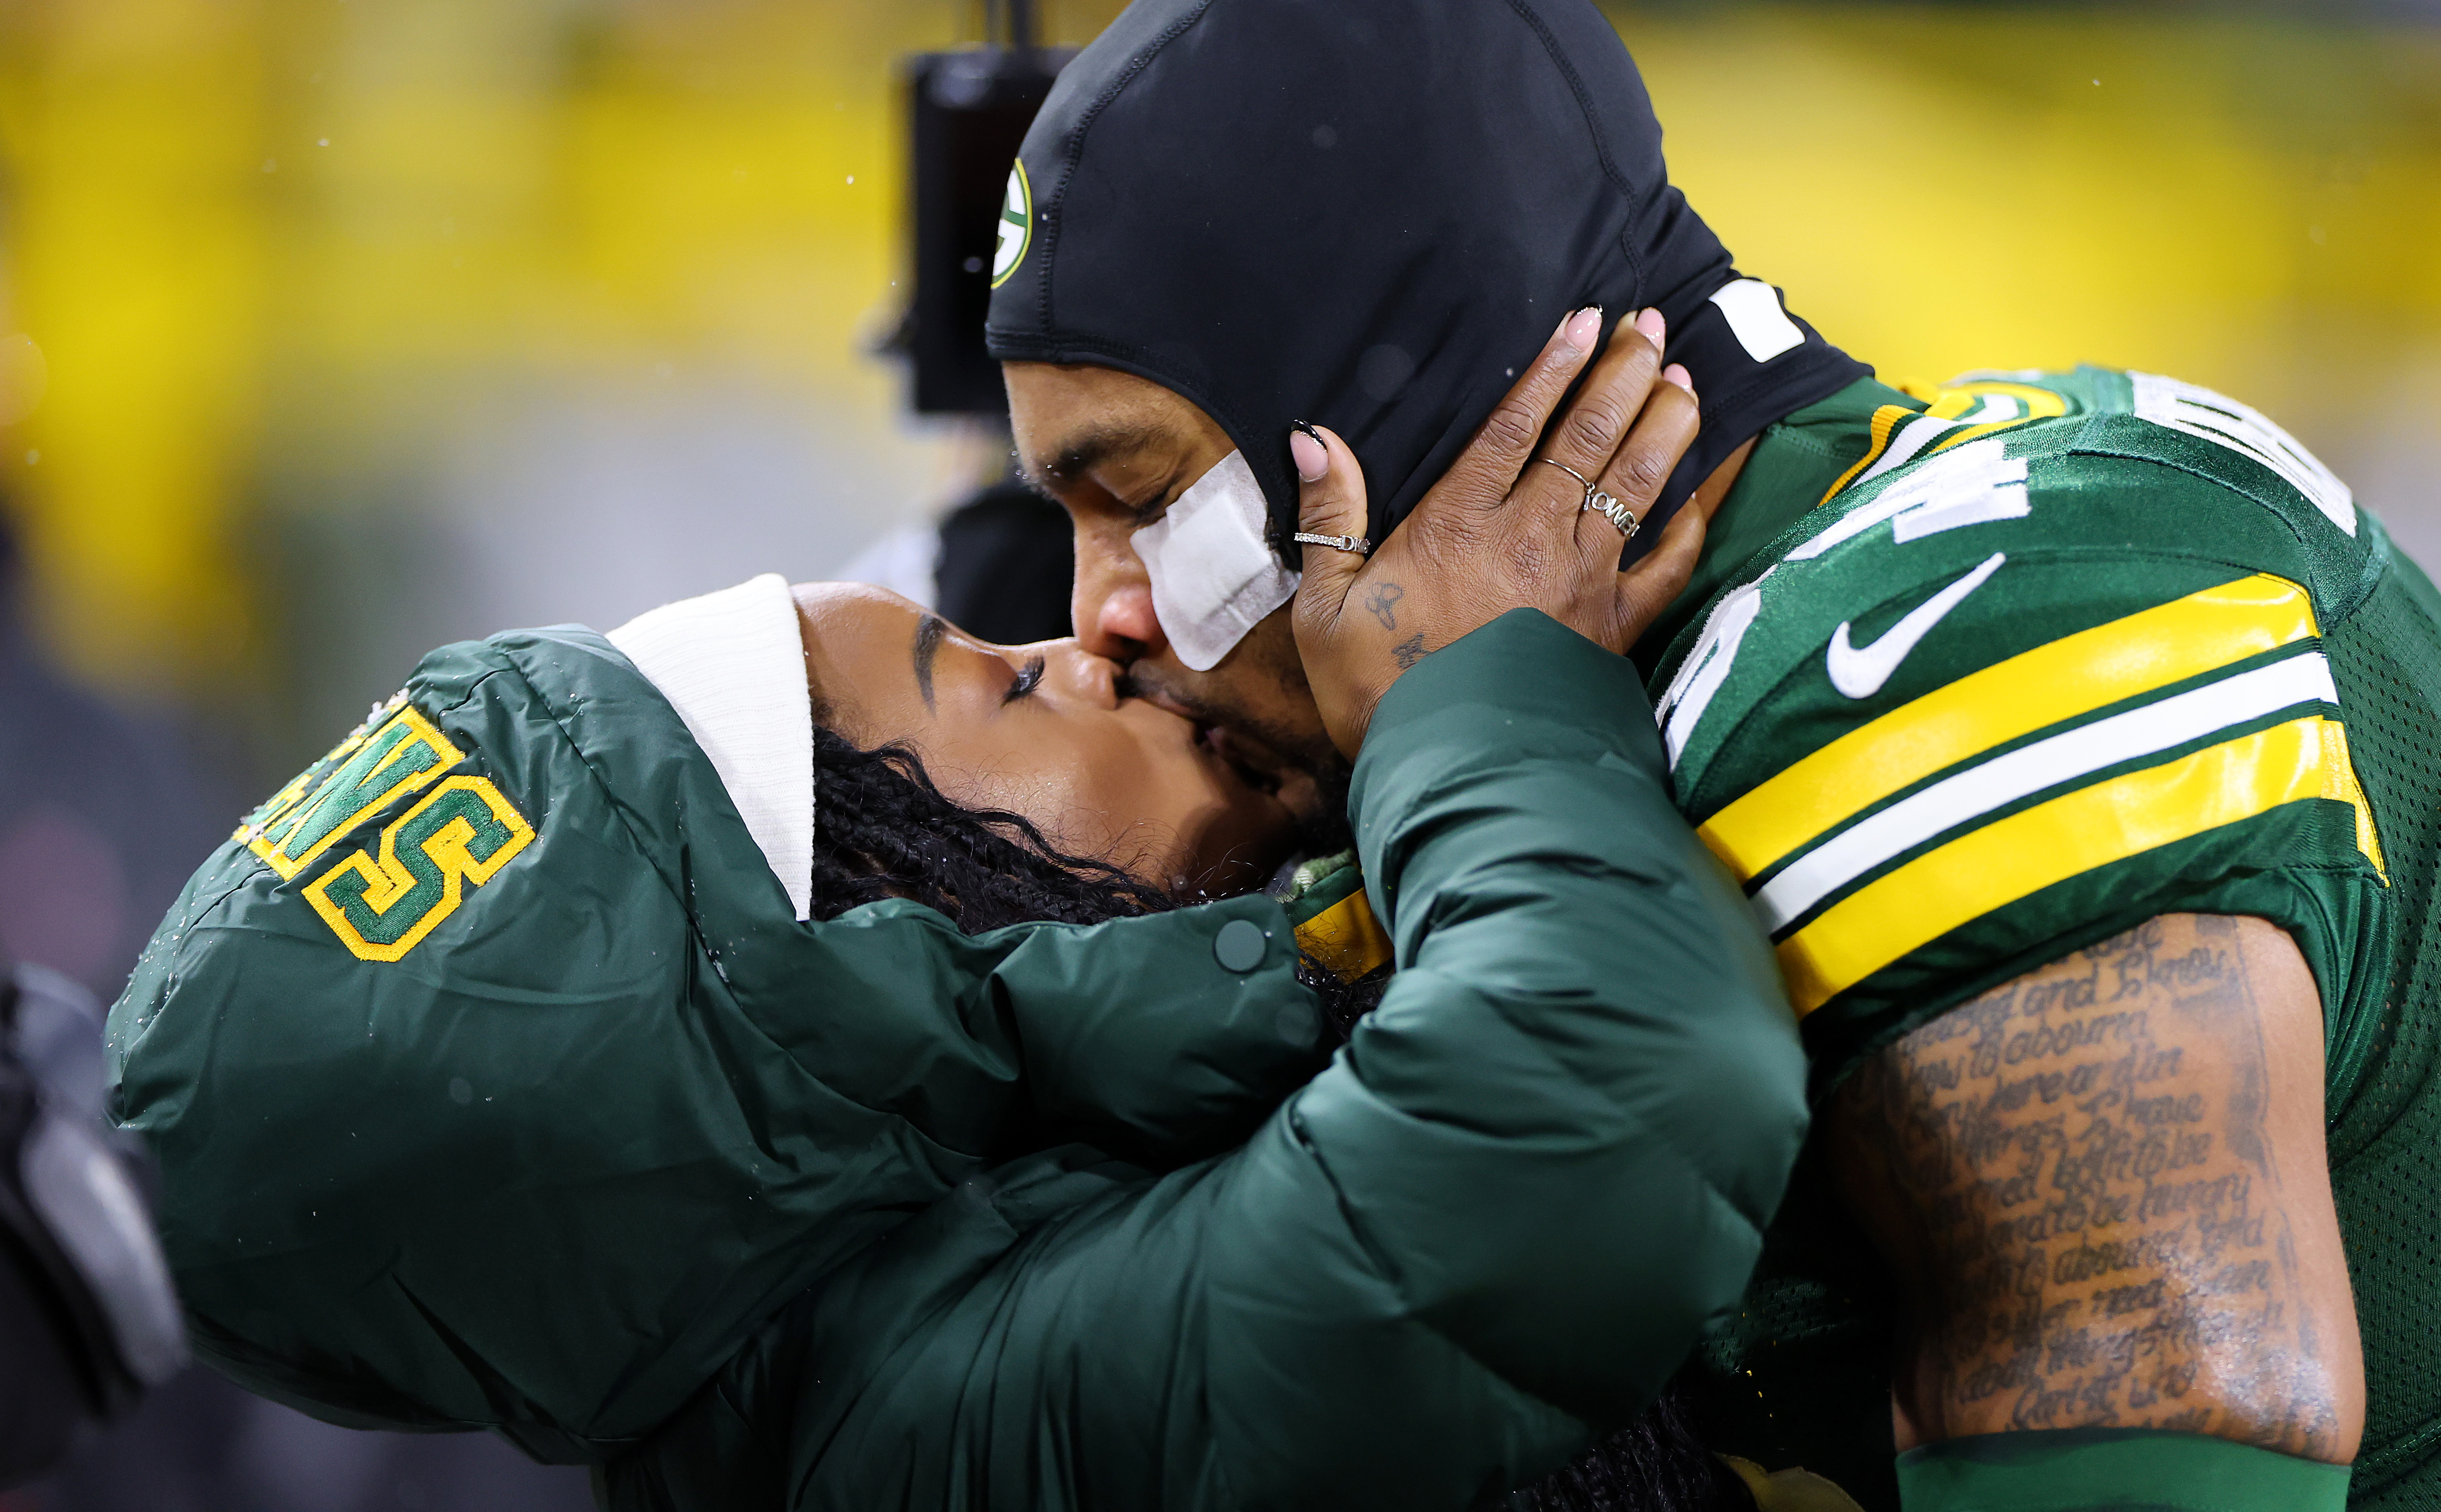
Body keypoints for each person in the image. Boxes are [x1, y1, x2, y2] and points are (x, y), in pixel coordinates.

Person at [989, 0, 2441, 1512]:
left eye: (1142, 495)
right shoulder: (1620, 717)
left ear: (1384, 412)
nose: (1099, 617)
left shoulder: (1951, 640)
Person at [108, 341, 1809, 1510]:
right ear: (867, 929)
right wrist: (1486, 692)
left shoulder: (864, 1311)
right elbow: (1614, 1080)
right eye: (990, 681)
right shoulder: (937, 1420)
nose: (1094, 643)